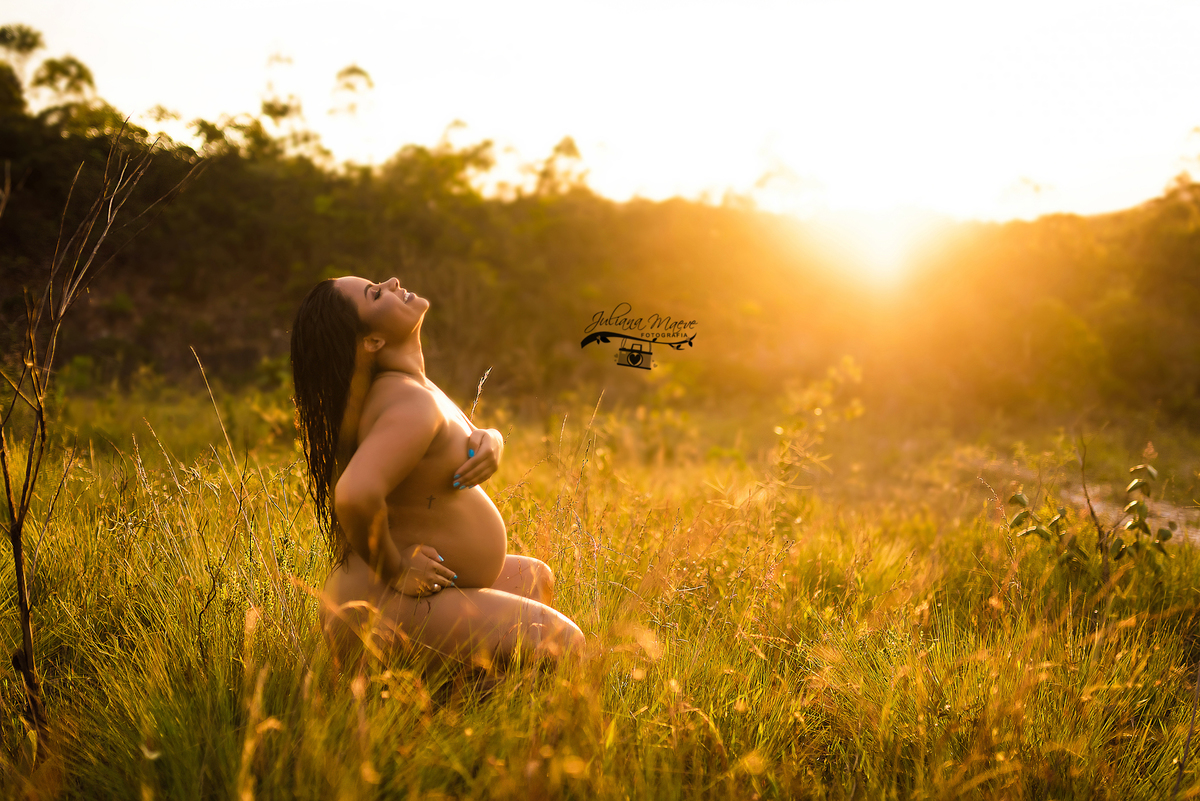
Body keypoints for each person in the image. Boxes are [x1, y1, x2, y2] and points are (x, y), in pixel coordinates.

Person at [290, 276, 584, 672]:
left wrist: (490, 439)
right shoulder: (407, 400)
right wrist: (395, 570)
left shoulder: (411, 386)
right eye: (376, 294)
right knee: (563, 643)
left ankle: (458, 707)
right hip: (378, 606)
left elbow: (438, 441)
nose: (392, 282)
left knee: (533, 577)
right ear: (373, 341)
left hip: (393, 600)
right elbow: (354, 494)